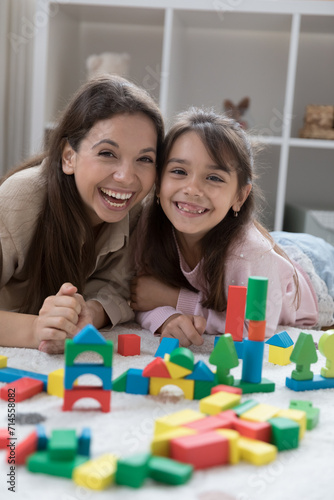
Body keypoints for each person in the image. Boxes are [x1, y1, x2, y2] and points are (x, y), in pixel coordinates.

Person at [130, 107, 334, 347]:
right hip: (275, 252)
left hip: (317, 274)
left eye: (214, 177)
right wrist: (165, 317)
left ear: (240, 196)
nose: (192, 189)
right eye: (178, 171)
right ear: (158, 181)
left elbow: (254, 328)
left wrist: (175, 300)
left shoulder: (251, 253)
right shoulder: (147, 224)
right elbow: (138, 297)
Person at [0, 75, 164, 353]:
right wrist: (36, 329)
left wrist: (92, 311)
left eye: (145, 159)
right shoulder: (21, 198)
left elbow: (117, 286)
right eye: (107, 153)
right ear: (68, 157)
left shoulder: (135, 210)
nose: (126, 177)